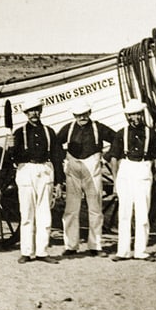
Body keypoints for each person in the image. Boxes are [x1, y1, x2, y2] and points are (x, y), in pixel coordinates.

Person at [57, 99, 117, 257]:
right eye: (78, 115)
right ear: (74, 115)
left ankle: (95, 246)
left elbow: (118, 140)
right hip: (73, 171)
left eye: (84, 114)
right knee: (71, 209)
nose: (82, 117)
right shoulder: (68, 129)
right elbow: (55, 145)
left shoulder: (98, 128)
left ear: (90, 113)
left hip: (93, 170)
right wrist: (64, 157)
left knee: (95, 209)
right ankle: (71, 245)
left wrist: (107, 156)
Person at [108, 99, 156, 262]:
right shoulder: (121, 133)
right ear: (127, 116)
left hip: (143, 168)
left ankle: (141, 251)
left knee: (142, 213)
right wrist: (115, 177)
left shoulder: (150, 133)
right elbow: (113, 157)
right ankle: (122, 251)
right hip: (125, 169)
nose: (136, 117)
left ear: (142, 114)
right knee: (124, 212)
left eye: (138, 114)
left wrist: (151, 171)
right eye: (132, 114)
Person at [10, 96, 64, 264]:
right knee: (26, 213)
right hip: (26, 171)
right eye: (30, 111)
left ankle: (42, 251)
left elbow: (57, 157)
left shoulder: (49, 132)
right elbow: (14, 158)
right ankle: (26, 251)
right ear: (26, 113)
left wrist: (59, 182)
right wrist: (11, 148)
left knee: (44, 213)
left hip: (44, 170)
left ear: (40, 111)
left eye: (36, 110)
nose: (34, 113)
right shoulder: (19, 133)